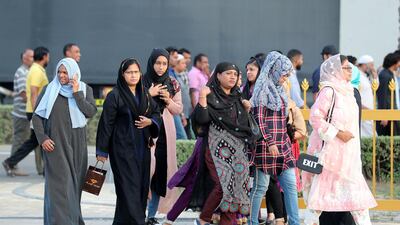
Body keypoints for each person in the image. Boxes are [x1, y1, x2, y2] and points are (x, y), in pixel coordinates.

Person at [302, 54, 377, 225]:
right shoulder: (328, 91)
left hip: (349, 153)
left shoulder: (349, 91)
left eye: (351, 67)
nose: (350, 70)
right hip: (330, 153)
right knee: (321, 196)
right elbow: (315, 118)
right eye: (346, 67)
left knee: (356, 196)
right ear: (336, 69)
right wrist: (337, 133)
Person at [32, 58, 97, 224]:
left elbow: (90, 112)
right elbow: (37, 116)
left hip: (78, 145)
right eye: (59, 72)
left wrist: (77, 94)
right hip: (55, 145)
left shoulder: (84, 89)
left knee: (75, 187)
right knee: (60, 188)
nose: (61, 75)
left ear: (74, 73)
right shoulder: (50, 89)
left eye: (65, 72)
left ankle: (74, 220)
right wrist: (43, 138)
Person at [96, 58, 160, 225]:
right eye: (129, 72)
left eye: (136, 72)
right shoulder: (114, 96)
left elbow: (156, 113)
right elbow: (105, 124)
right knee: (127, 189)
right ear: (122, 74)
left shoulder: (145, 94)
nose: (133, 76)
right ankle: (139, 221)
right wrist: (102, 151)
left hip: (142, 149)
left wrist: (150, 122)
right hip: (121, 150)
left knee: (140, 189)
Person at [191, 62, 254, 225]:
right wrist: (203, 97)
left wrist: (247, 110)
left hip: (237, 150)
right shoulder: (210, 95)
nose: (233, 77)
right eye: (228, 73)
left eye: (235, 74)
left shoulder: (238, 97)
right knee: (222, 185)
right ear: (218, 75)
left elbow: (242, 126)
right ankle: (204, 218)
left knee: (236, 185)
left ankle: (228, 222)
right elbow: (201, 120)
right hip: (216, 149)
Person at [249, 51, 300, 225]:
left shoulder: (280, 90)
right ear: (275, 69)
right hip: (265, 146)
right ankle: (252, 222)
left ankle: (295, 222)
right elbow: (258, 119)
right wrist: (269, 142)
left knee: (291, 186)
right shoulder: (262, 90)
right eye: (284, 73)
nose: (285, 77)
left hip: (283, 145)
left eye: (287, 74)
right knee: (260, 187)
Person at [144, 48, 183, 224]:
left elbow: (178, 109)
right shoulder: (142, 81)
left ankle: (150, 215)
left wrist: (168, 100)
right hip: (145, 132)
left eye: (164, 63)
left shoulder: (173, 84)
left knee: (160, 174)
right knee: (146, 172)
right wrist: (148, 94)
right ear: (151, 63)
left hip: (165, 135)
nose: (160, 67)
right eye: (157, 63)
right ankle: (139, 211)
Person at [3, 47, 49, 176]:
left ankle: (11, 162)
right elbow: (33, 93)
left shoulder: (34, 70)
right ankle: (12, 162)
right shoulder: (35, 71)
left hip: (33, 111)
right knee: (35, 139)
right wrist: (37, 113)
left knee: (35, 140)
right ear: (45, 56)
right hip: (34, 111)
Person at [9, 49, 34, 176]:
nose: (33, 59)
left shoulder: (28, 72)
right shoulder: (22, 72)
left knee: (22, 139)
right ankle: (12, 166)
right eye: (31, 57)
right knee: (19, 140)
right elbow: (24, 95)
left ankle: (12, 165)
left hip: (24, 113)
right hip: (21, 114)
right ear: (24, 58)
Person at [376, 52, 400, 136]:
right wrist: (384, 115)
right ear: (394, 62)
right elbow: (383, 96)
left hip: (393, 111)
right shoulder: (384, 75)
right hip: (387, 113)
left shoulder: (390, 74)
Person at [167, 47, 187, 140]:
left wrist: (182, 114)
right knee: (181, 137)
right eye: (174, 57)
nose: (176, 59)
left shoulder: (172, 73)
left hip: (175, 110)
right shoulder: (166, 73)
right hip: (169, 111)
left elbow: (176, 96)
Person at [175, 54, 194, 139]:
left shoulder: (182, 75)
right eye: (183, 63)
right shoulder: (173, 77)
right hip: (178, 113)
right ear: (176, 64)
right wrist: (181, 114)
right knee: (182, 137)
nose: (185, 65)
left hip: (186, 112)